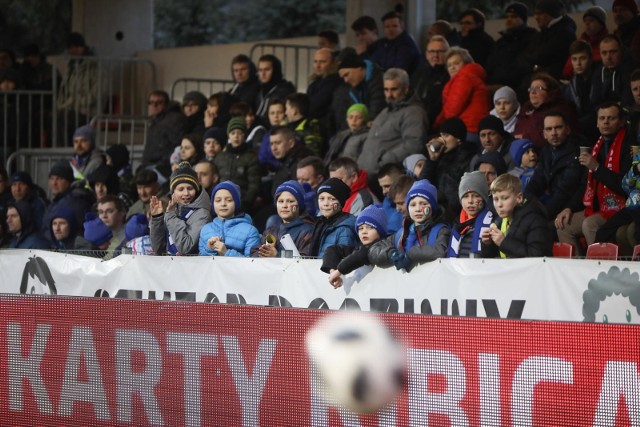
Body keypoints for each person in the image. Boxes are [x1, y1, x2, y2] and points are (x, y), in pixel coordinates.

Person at [555, 102, 633, 255]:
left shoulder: (629, 147)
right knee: (563, 224)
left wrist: (597, 168)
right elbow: (585, 186)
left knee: (590, 224)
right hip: (596, 207)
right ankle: (576, 273)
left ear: (621, 121)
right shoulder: (596, 147)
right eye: (602, 118)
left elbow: (625, 187)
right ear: (597, 123)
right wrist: (569, 207)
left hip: (621, 208)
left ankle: (599, 270)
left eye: (611, 118)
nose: (606, 122)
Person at [369, 179, 450, 271]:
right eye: (413, 205)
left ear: (433, 206)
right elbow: (373, 250)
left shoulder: (442, 230)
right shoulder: (401, 234)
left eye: (423, 204)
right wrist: (391, 254)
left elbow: (440, 251)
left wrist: (411, 254)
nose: (418, 209)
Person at [358, 68, 428, 175]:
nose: (389, 94)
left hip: (384, 175)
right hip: (367, 173)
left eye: (394, 89)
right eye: (386, 90)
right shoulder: (385, 111)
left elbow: (414, 145)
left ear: (405, 89)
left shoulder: (413, 112)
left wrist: (383, 161)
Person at [525, 113, 583, 221]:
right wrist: (524, 204)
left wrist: (543, 215)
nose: (554, 133)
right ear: (544, 134)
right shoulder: (546, 151)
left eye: (558, 128)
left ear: (568, 129)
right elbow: (536, 182)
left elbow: (566, 191)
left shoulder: (577, 152)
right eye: (549, 129)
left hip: (571, 207)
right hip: (552, 206)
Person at [481, 173, 553, 258]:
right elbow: (491, 257)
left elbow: (537, 256)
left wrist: (503, 242)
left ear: (519, 198)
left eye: (505, 198)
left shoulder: (535, 219)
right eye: (496, 199)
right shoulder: (501, 220)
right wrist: (488, 244)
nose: (499, 204)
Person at [420, 117, 477, 222]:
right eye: (440, 135)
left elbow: (458, 194)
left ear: (458, 139)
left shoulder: (468, 159)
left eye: (446, 135)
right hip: (439, 214)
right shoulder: (440, 158)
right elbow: (422, 185)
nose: (442, 140)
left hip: (456, 217)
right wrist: (432, 160)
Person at [150, 161, 211, 255]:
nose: (186, 193)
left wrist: (171, 216)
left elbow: (185, 247)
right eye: (180, 189)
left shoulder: (202, 214)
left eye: (190, 188)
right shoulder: (172, 210)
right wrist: (157, 218)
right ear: (173, 192)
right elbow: (158, 249)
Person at [321, 205, 387, 288]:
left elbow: (361, 255)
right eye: (360, 228)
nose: (364, 232)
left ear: (380, 231)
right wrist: (332, 271)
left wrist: (339, 271)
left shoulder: (382, 246)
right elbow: (332, 250)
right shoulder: (358, 248)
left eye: (370, 227)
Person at [56, 32, 105, 144]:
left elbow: (100, 90)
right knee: (52, 116)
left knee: (65, 119)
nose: (72, 51)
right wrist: (60, 105)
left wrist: (83, 101)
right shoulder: (71, 67)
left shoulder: (95, 65)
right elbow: (64, 90)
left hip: (87, 111)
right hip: (71, 109)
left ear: (82, 47)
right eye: (70, 48)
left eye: (75, 47)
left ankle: (63, 149)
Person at [485, 2, 538, 95]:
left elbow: (524, 65)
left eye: (513, 17)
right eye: (507, 16)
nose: (509, 20)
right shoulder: (501, 42)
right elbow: (490, 64)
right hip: (495, 84)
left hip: (515, 87)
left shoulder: (531, 38)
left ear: (523, 19)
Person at [514, 72, 578, 149]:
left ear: (550, 92)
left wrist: (525, 138)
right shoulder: (524, 111)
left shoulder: (560, 109)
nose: (533, 92)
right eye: (531, 89)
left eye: (538, 89)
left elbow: (552, 136)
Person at [434, 47, 489, 135]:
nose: (452, 67)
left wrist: (437, 125)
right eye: (449, 65)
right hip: (469, 128)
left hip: (469, 129)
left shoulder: (464, 77)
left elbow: (452, 110)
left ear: (466, 64)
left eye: (456, 63)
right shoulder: (468, 76)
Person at [199, 181, 260, 256]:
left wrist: (226, 252)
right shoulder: (206, 229)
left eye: (229, 200)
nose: (223, 204)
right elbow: (200, 263)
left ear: (236, 203)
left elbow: (254, 263)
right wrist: (209, 249)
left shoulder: (250, 231)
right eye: (218, 200)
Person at [520, 0, 577, 83]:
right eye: (535, 13)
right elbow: (527, 54)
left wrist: (535, 64)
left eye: (539, 13)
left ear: (550, 14)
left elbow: (541, 56)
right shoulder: (543, 32)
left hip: (554, 81)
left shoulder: (564, 33)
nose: (536, 17)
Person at [331, 50, 385, 135]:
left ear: (359, 68)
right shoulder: (354, 89)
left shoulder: (378, 80)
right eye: (343, 77)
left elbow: (377, 106)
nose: (346, 80)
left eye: (347, 74)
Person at [214, 117, 261, 213]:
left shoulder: (251, 157)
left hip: (241, 202)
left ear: (245, 136)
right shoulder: (220, 157)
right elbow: (215, 180)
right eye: (233, 133)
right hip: (220, 201)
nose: (236, 136)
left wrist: (247, 202)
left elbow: (254, 184)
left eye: (240, 133)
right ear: (228, 136)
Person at [255, 180, 314, 257]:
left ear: (299, 205)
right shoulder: (271, 230)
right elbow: (254, 252)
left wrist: (276, 255)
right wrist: (261, 253)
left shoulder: (307, 231)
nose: (284, 205)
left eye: (290, 201)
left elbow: (305, 262)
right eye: (281, 201)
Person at [40, 161, 93, 244]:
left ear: (69, 182)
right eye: (52, 178)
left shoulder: (76, 201)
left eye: (60, 179)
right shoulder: (57, 201)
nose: (54, 183)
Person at [141, 89, 186, 181]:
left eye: (159, 102)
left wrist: (160, 165)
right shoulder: (155, 120)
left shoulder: (173, 120)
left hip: (162, 168)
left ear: (166, 104)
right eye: (151, 102)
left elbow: (176, 145)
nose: (154, 105)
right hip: (150, 165)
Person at [447, 171, 493, 258]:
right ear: (460, 200)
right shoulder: (456, 226)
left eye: (476, 195)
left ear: (484, 198)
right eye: (465, 196)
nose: (470, 201)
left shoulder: (493, 223)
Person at [309, 178, 359, 257]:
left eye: (331, 199)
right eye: (322, 199)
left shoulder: (345, 229)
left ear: (341, 202)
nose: (325, 203)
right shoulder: (319, 224)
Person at [412, 35, 450, 131]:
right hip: (414, 118)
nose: (435, 55)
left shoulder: (450, 76)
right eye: (432, 51)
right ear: (426, 54)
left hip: (435, 124)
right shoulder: (419, 73)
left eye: (440, 51)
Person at [369, 11, 422, 75]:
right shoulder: (382, 43)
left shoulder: (407, 44)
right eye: (387, 27)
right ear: (383, 29)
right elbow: (372, 62)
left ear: (402, 27)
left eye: (395, 26)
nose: (391, 29)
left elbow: (398, 70)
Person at [562, 7, 609, 79]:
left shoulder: (607, 44)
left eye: (591, 20)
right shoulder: (580, 43)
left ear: (601, 24)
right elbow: (566, 71)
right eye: (585, 21)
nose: (587, 23)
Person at [590, 35, 636, 109]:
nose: (608, 57)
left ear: (621, 51)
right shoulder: (598, 72)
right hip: (602, 113)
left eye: (613, 52)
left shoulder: (631, 70)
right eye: (604, 53)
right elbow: (595, 102)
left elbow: (627, 102)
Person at [255, 54, 296, 119]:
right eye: (260, 70)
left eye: (267, 69)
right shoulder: (259, 90)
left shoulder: (285, 90)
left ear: (275, 71)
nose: (263, 73)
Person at [307, 48, 342, 123]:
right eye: (315, 61)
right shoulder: (315, 83)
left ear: (333, 63)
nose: (317, 66)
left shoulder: (334, 82)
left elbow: (314, 106)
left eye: (322, 62)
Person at [285, 93, 323, 157]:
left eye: (287, 109)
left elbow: (313, 154)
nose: (285, 113)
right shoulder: (286, 127)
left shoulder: (310, 127)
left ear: (295, 111)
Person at [376, 163, 405, 234]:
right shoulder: (387, 199)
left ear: (400, 179)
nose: (383, 192)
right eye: (382, 187)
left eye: (387, 186)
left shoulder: (416, 199)